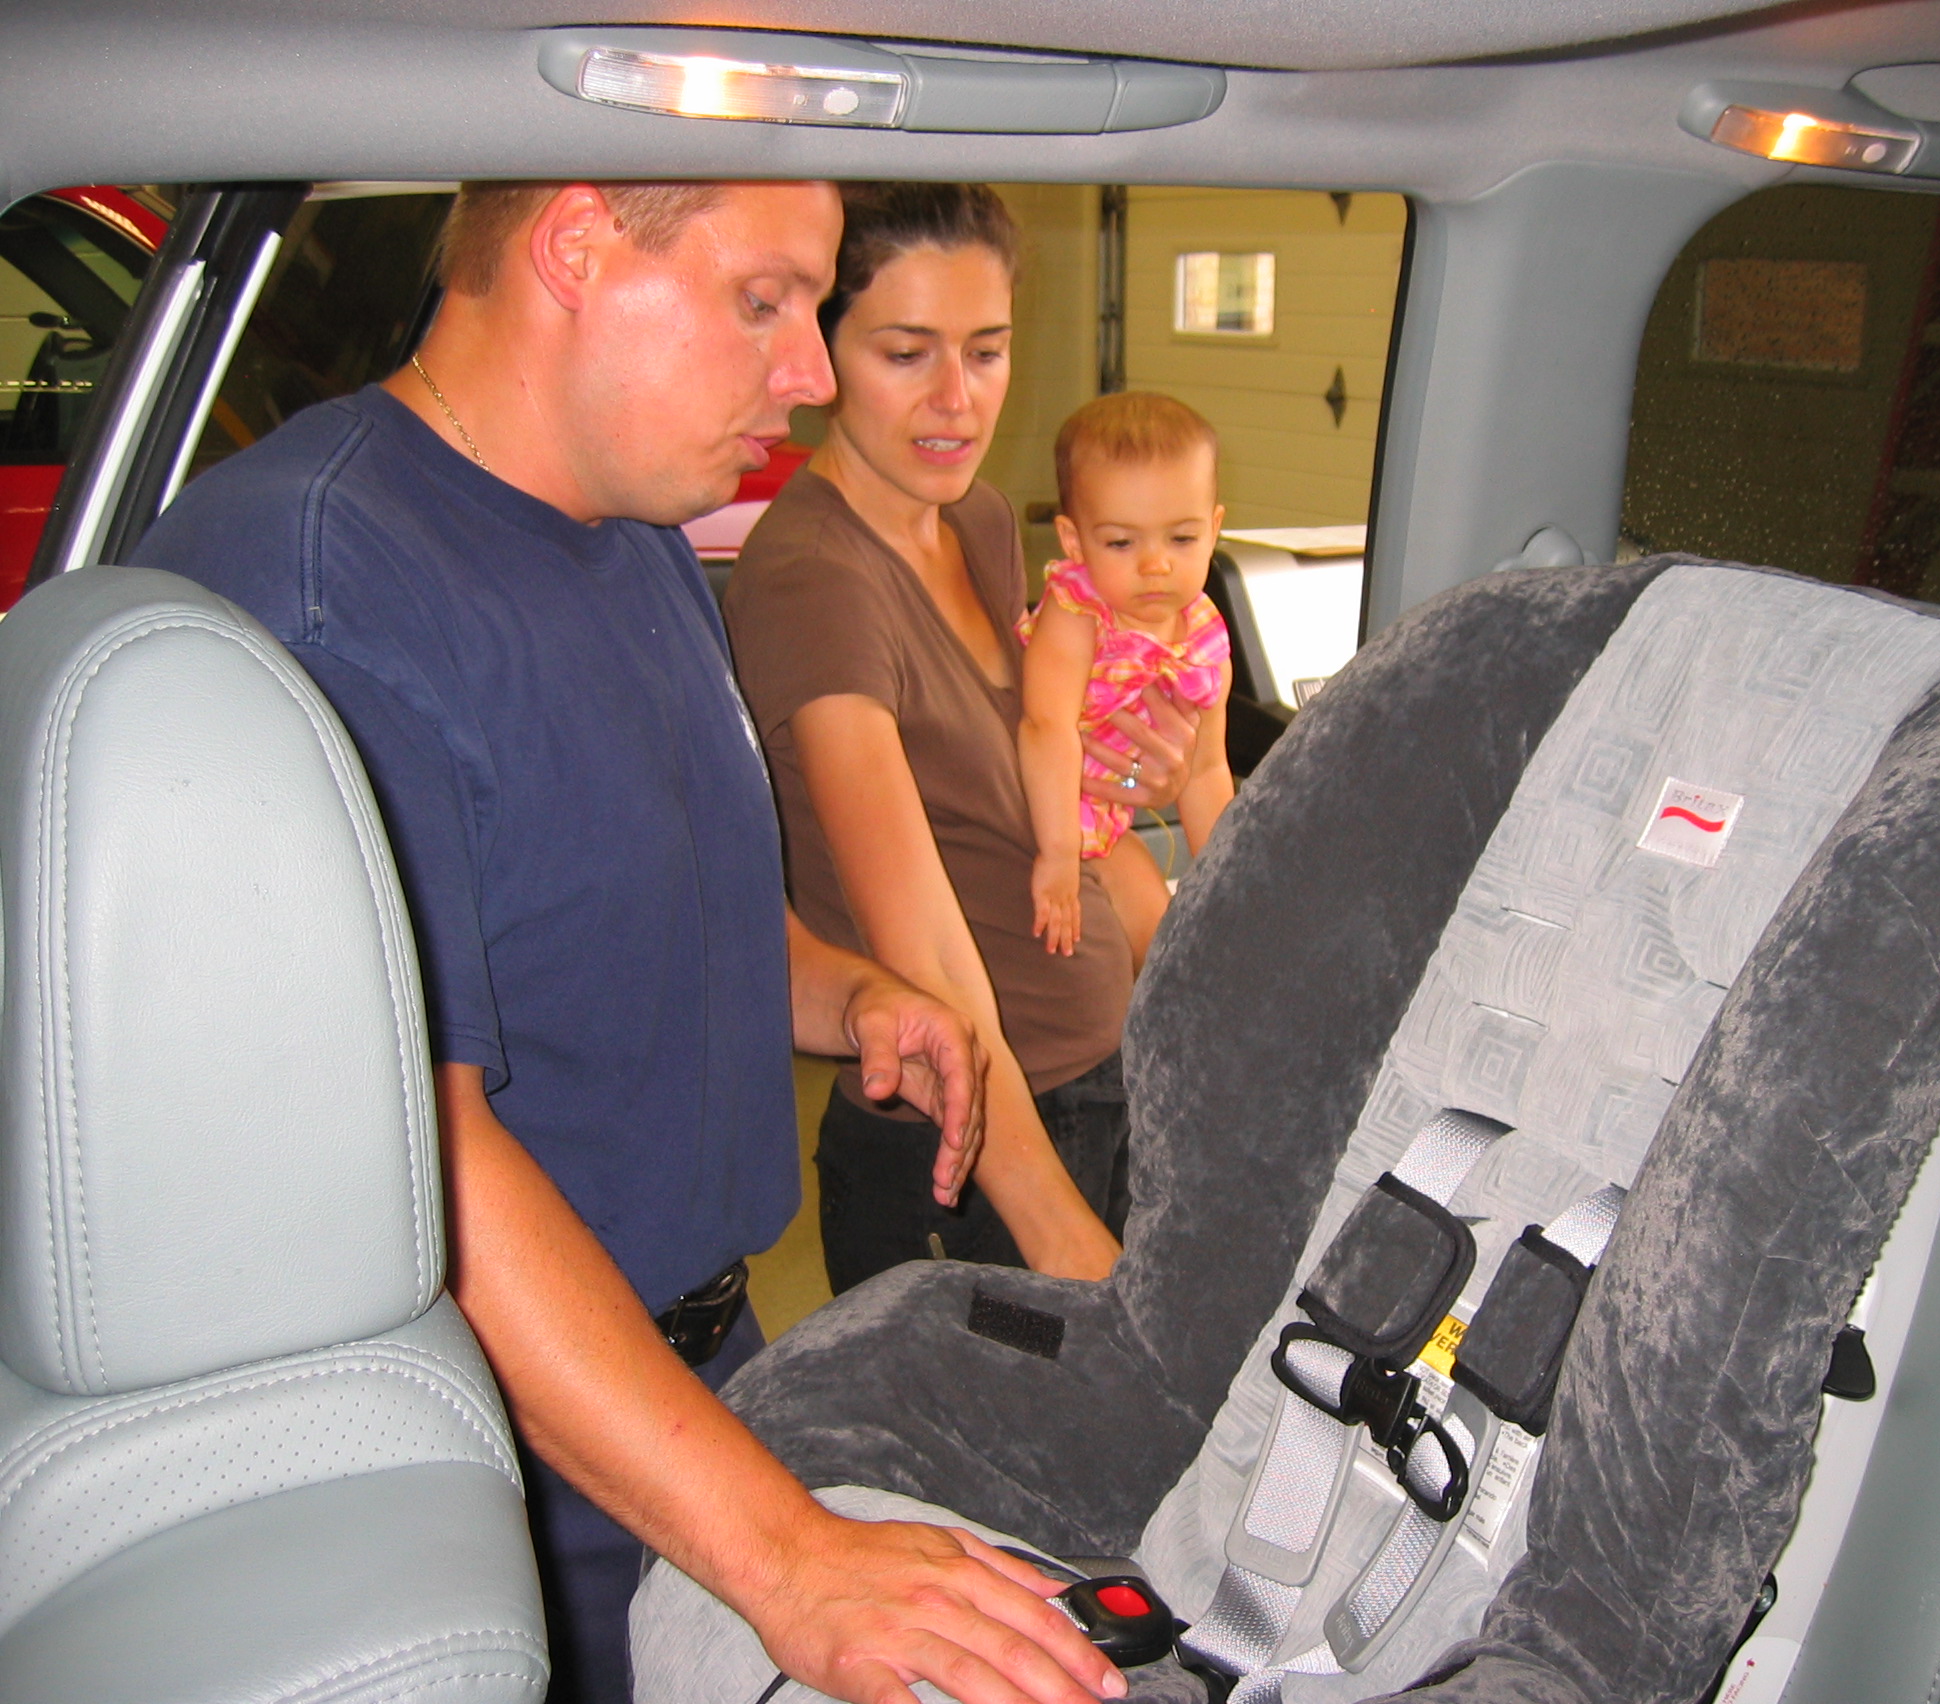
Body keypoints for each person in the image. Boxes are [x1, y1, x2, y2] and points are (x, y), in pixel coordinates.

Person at [133, 178, 1127, 1704]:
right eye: (764, 301)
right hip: (496, 1452)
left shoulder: (636, 530)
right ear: (577, 246)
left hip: (700, 1369)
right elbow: (422, 1164)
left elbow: (672, 900)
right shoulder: (322, 593)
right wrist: (786, 1558)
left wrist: (852, 991)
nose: (807, 370)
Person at [728, 184, 1200, 1294]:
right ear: (825, 351)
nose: (956, 400)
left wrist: (1137, 788)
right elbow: (922, 951)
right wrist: (1054, 1228)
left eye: (985, 352)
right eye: (906, 353)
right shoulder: (815, 581)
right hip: (969, 1150)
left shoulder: (978, 519)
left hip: (1092, 1092)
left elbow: (1033, 799)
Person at [1019, 393, 1234, 968]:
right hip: (1042, 808)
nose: (1155, 564)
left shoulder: (1205, 638)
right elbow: (1046, 725)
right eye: (1121, 542)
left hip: (1107, 829)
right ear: (1074, 541)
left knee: (1171, 952)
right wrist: (1060, 854)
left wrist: (1227, 884)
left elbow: (1206, 770)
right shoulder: (1077, 613)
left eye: (1181, 539)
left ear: (1214, 528)